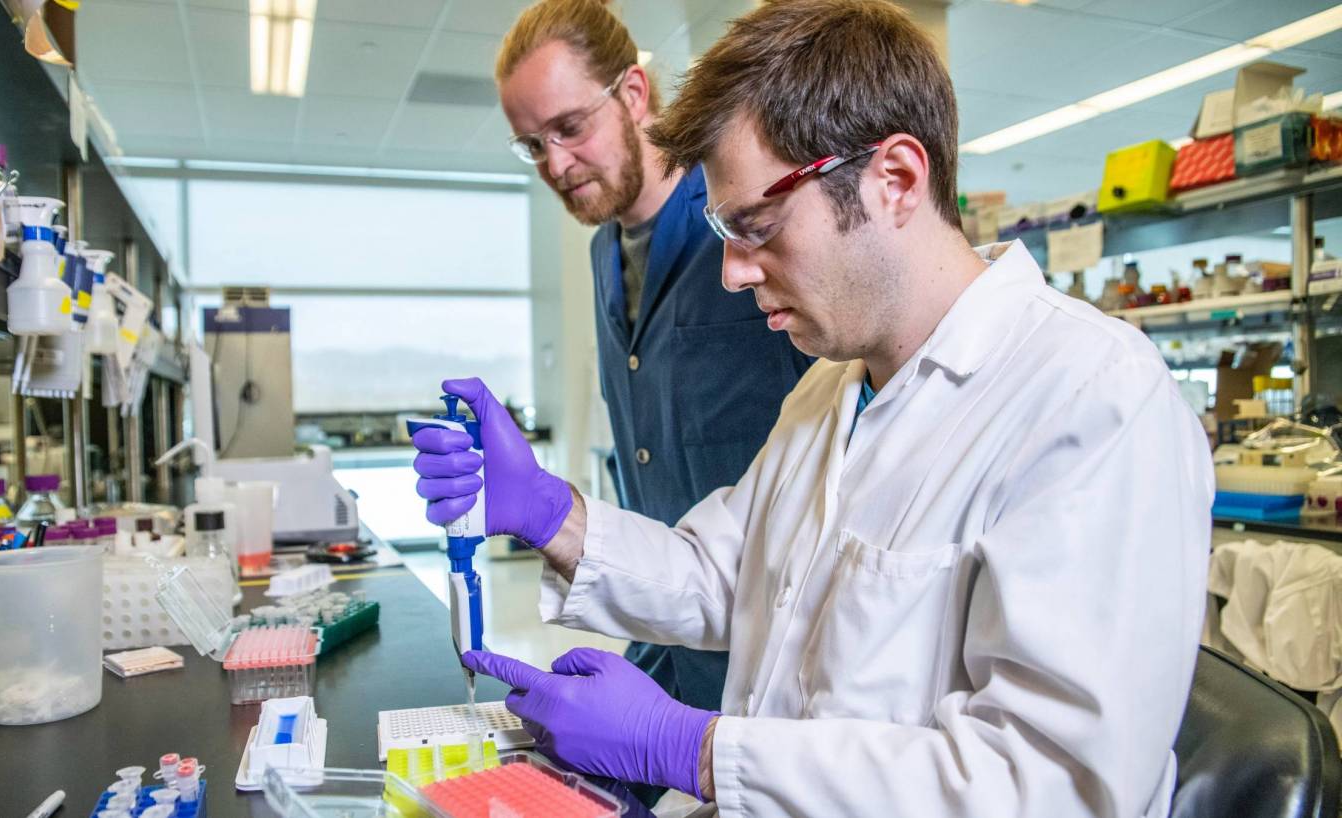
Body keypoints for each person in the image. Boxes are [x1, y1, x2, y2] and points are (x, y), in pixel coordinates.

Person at [414, 1, 1213, 814]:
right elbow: (725, 574)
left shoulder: (1092, 400)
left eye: (756, 225)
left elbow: (1054, 786)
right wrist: (551, 515)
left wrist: (691, 750)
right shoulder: (832, 387)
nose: (732, 272)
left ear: (895, 180)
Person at [493, 0, 812, 724]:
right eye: (532, 145)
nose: (557, 164)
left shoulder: (740, 226)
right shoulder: (604, 253)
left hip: (780, 661)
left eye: (569, 128)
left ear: (633, 94)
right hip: (676, 633)